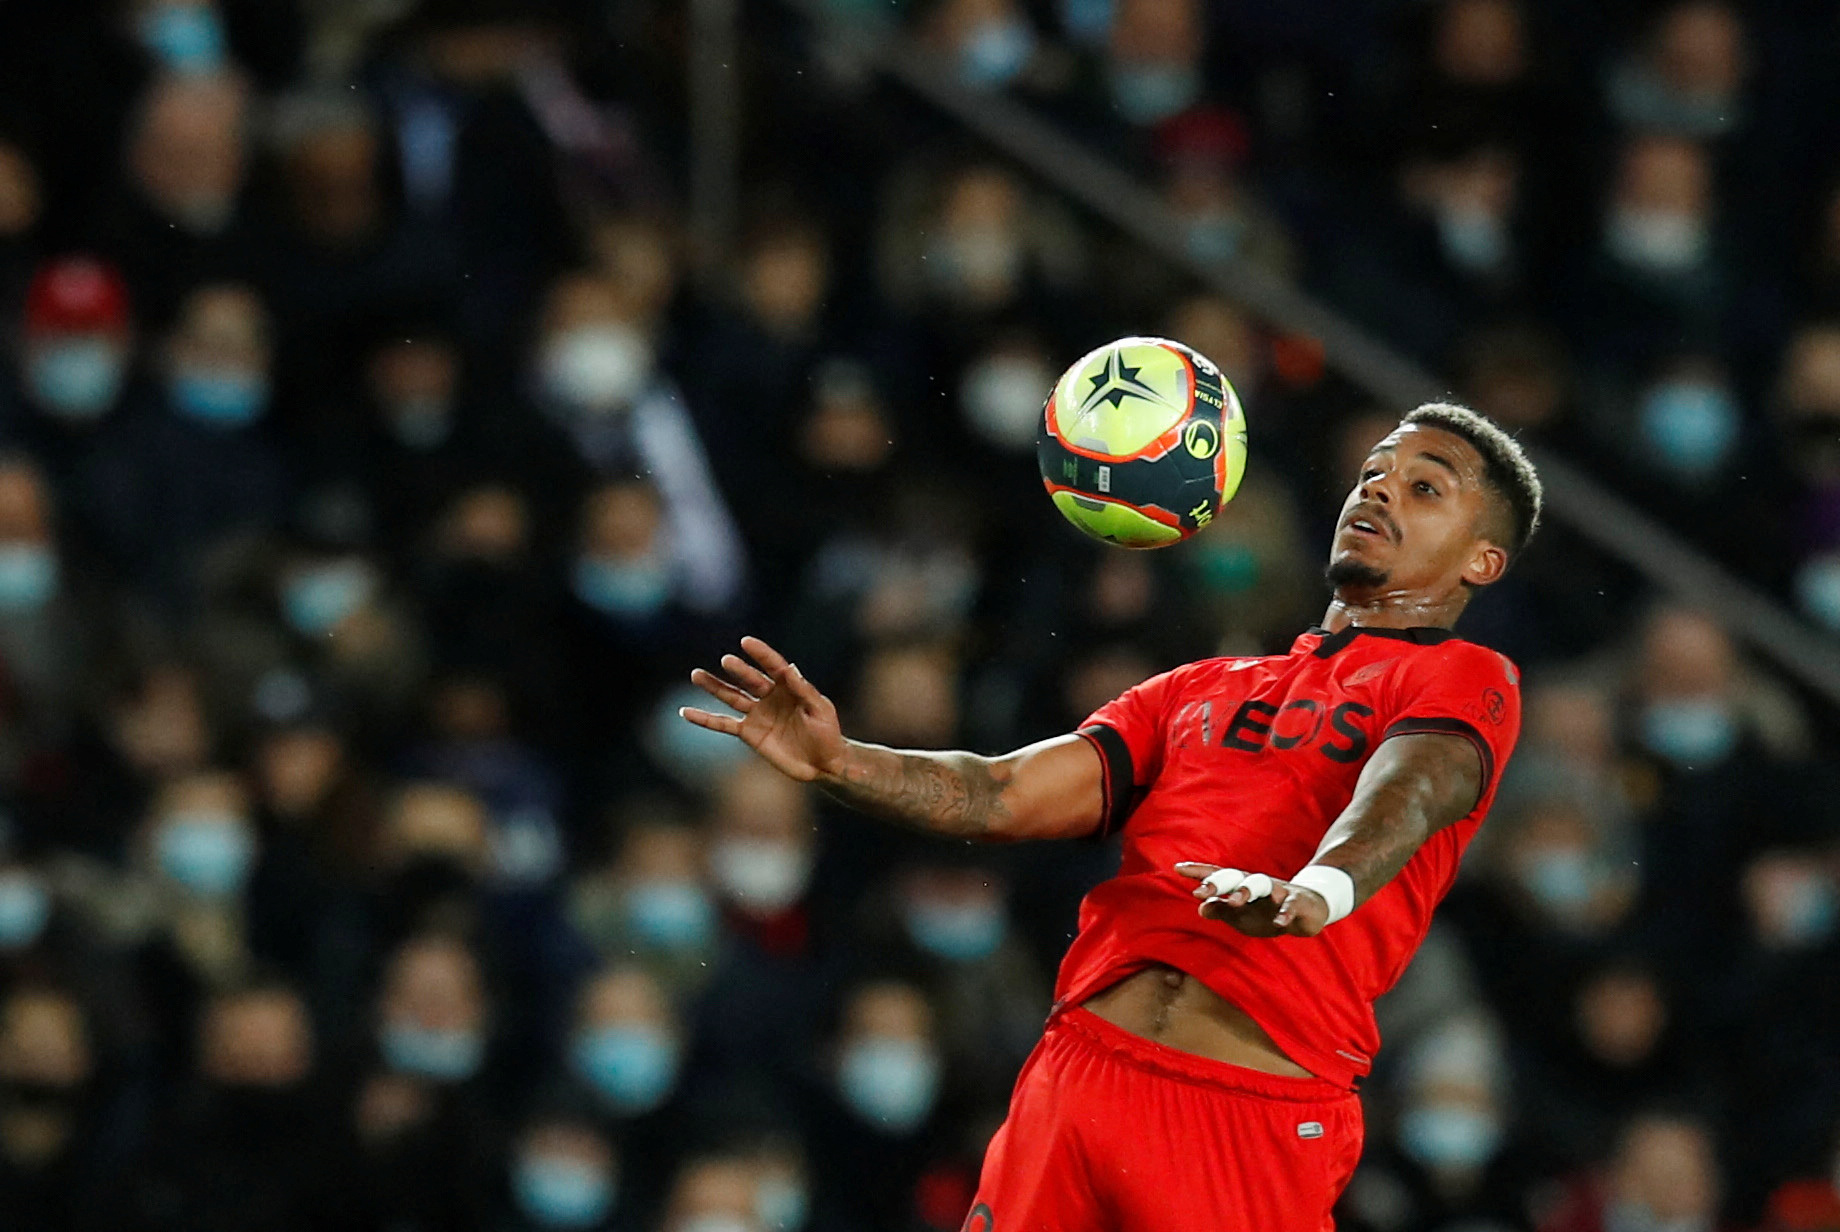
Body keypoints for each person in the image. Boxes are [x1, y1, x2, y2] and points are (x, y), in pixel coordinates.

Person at [682, 402, 1542, 1230]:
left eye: (1425, 487)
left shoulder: (1467, 679)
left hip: (1244, 1115)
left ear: (1483, 561)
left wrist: (1317, 890)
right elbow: (1001, 793)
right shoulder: (1197, 689)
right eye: (1372, 472)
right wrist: (842, 761)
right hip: (1079, 1074)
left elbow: (1410, 791)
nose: (1379, 490)